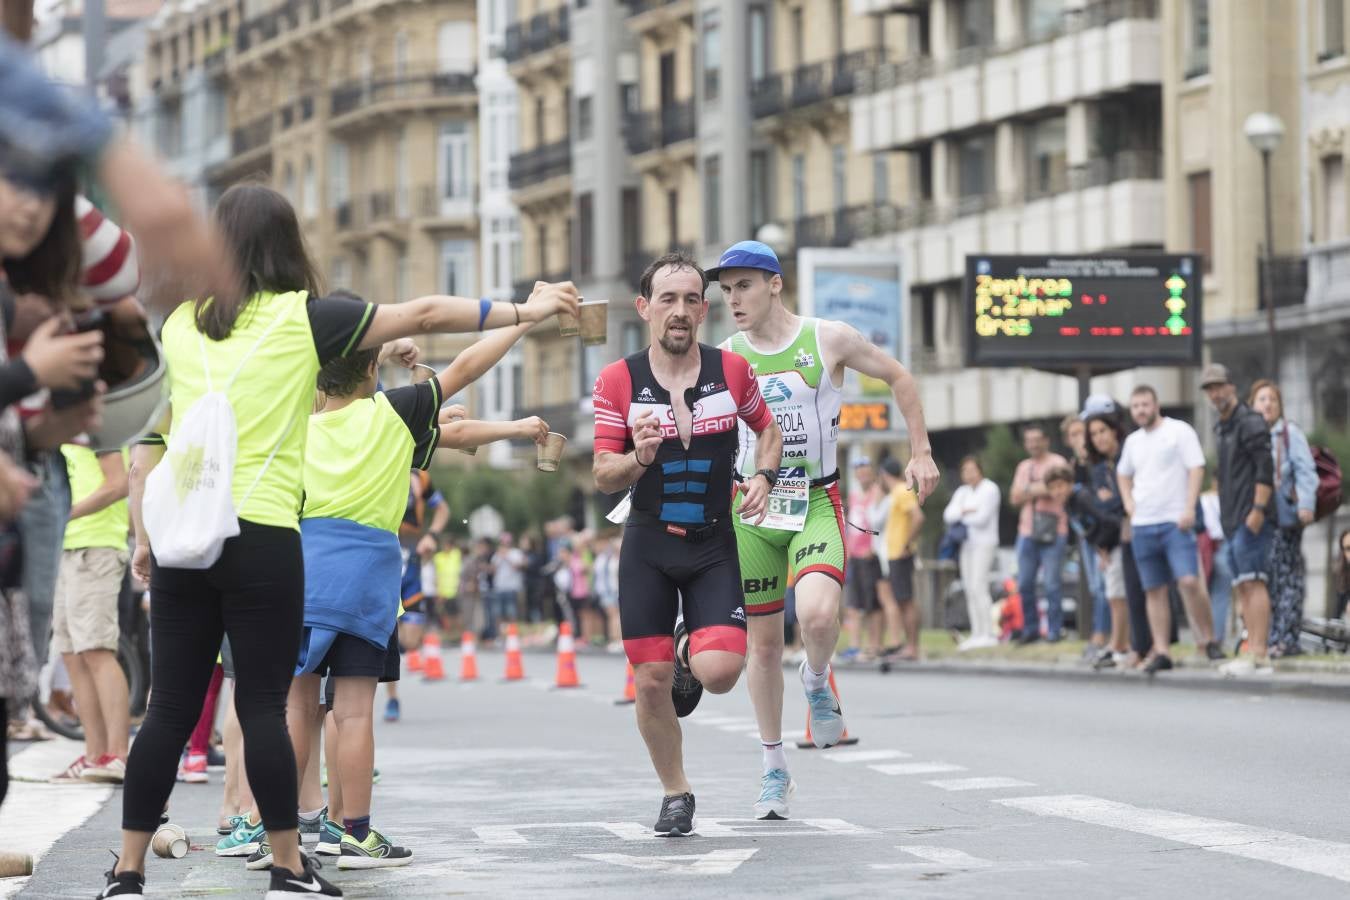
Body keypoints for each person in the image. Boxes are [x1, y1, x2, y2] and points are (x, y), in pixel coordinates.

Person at [107, 182, 577, 898]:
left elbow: (152, 437)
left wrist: (145, 534)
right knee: (265, 706)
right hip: (263, 534)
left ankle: (127, 870)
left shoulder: (178, 325)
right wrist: (527, 308)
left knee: (169, 708)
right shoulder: (304, 319)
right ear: (287, 246)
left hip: (184, 537)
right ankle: (291, 867)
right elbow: (422, 312)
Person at [264, 317, 543, 873]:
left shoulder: (296, 426)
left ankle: (283, 836)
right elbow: (466, 366)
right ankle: (356, 836)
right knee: (355, 712)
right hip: (366, 579)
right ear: (373, 370)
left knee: (296, 708)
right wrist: (524, 318)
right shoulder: (393, 413)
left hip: (301, 573)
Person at [710, 239, 937, 820]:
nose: (733, 300)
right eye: (726, 289)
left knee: (814, 615)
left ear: (774, 284)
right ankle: (773, 771)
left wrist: (921, 453)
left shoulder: (826, 337)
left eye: (744, 286)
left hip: (813, 499)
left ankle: (816, 677)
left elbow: (900, 378)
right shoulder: (725, 357)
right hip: (753, 510)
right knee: (761, 649)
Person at [592, 250, 780, 835]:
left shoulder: (733, 373)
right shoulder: (618, 379)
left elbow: (768, 432)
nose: (679, 311)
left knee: (720, 671)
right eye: (667, 299)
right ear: (644, 308)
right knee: (649, 684)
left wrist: (763, 477)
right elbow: (601, 471)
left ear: (704, 309)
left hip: (713, 543)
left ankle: (687, 653)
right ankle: (676, 791)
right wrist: (637, 457)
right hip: (648, 544)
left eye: (691, 299)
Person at [1117, 385, 1222, 676]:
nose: (1140, 410)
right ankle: (1162, 650)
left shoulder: (1179, 431)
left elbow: (1196, 468)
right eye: (1135, 405)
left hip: (1175, 521)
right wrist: (1128, 502)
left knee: (1189, 581)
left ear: (1156, 404)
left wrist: (1189, 507)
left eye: (1145, 404)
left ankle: (1210, 639)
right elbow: (1123, 473)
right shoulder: (1133, 442)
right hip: (1143, 524)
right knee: (1153, 588)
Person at [47, 444, 129, 785]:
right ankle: (95, 755)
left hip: (97, 546)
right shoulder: (67, 428)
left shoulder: (100, 426)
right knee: (71, 654)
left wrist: (65, 512)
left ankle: (119, 756)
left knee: (96, 649)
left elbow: (118, 483)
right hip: (66, 547)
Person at [1199, 365, 1275, 679]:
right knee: (1242, 585)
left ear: (1232, 386)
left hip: (1251, 517)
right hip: (1231, 520)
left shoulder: (1250, 421)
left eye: (1220, 386)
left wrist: (1258, 510)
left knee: (1254, 581)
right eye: (1209, 388)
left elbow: (1264, 468)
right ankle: (1251, 651)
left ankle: (1260, 652)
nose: (1215, 393)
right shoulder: (1222, 426)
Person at [1249, 379, 1317, 657]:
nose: (1267, 405)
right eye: (1262, 399)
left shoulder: (1289, 434)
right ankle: (1270, 637)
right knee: (1267, 579)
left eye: (1272, 400)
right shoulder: (1251, 435)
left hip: (1286, 516)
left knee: (1287, 578)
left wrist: (1306, 505)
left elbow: (1306, 471)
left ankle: (1286, 640)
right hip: (1259, 518)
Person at [1079, 402, 1144, 671]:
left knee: (1126, 592)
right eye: (1093, 434)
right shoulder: (1097, 468)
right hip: (1111, 537)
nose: (1099, 438)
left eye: (1103, 431)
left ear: (1114, 430)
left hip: (1134, 531)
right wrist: (1102, 543)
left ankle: (1123, 644)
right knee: (1113, 592)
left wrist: (1113, 500)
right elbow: (1101, 507)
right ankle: (1118, 644)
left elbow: (1124, 501)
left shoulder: (1129, 456)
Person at [1010, 425, 1070, 644]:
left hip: (1055, 530)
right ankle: (1031, 629)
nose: (1033, 444)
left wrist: (1029, 490)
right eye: (1029, 440)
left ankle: (1054, 631)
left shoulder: (1058, 462)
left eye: (1037, 439)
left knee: (1052, 584)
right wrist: (1042, 487)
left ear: (1046, 440)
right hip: (1027, 531)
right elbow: (1014, 497)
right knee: (1024, 584)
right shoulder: (1023, 466)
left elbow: (1060, 489)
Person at [943, 455, 1001, 650]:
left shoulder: (990, 489)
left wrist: (964, 513)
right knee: (969, 588)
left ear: (980, 470)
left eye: (972, 469)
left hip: (984, 543)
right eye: (965, 470)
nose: (968, 474)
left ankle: (989, 633)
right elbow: (949, 515)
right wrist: (966, 511)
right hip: (966, 545)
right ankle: (977, 632)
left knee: (979, 586)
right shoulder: (962, 492)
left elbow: (983, 518)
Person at [1062, 413, 1109, 658]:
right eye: (1073, 435)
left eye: (1082, 433)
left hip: (1103, 533)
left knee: (1104, 586)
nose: (1079, 439)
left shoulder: (1099, 463)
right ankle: (1100, 635)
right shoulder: (1073, 467)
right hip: (1085, 533)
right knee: (1095, 586)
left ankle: (1101, 636)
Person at [880, 457, 925, 660]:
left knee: (906, 601)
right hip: (895, 554)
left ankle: (913, 647)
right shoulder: (898, 492)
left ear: (884, 474)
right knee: (903, 600)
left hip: (900, 553)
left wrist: (907, 543)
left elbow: (918, 517)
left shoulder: (901, 491)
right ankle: (910, 646)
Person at [842, 456, 886, 662]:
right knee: (854, 603)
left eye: (866, 470)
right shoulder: (854, 495)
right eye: (859, 471)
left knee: (873, 604)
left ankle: (875, 645)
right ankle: (855, 645)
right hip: (854, 555)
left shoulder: (877, 492)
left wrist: (873, 548)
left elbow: (879, 522)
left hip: (871, 556)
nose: (862, 475)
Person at [1199, 478, 1233, 645]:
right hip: (1223, 546)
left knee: (1202, 594)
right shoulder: (1230, 500)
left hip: (1204, 549)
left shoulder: (1204, 499)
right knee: (1220, 596)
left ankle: (1203, 637)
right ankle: (1216, 638)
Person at [487, 533, 526, 642]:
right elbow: (493, 570)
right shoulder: (497, 555)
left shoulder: (515, 553)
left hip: (511, 587)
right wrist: (499, 557)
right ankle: (500, 636)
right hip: (499, 587)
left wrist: (506, 556)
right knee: (498, 613)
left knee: (511, 612)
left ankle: (513, 635)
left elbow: (518, 566)